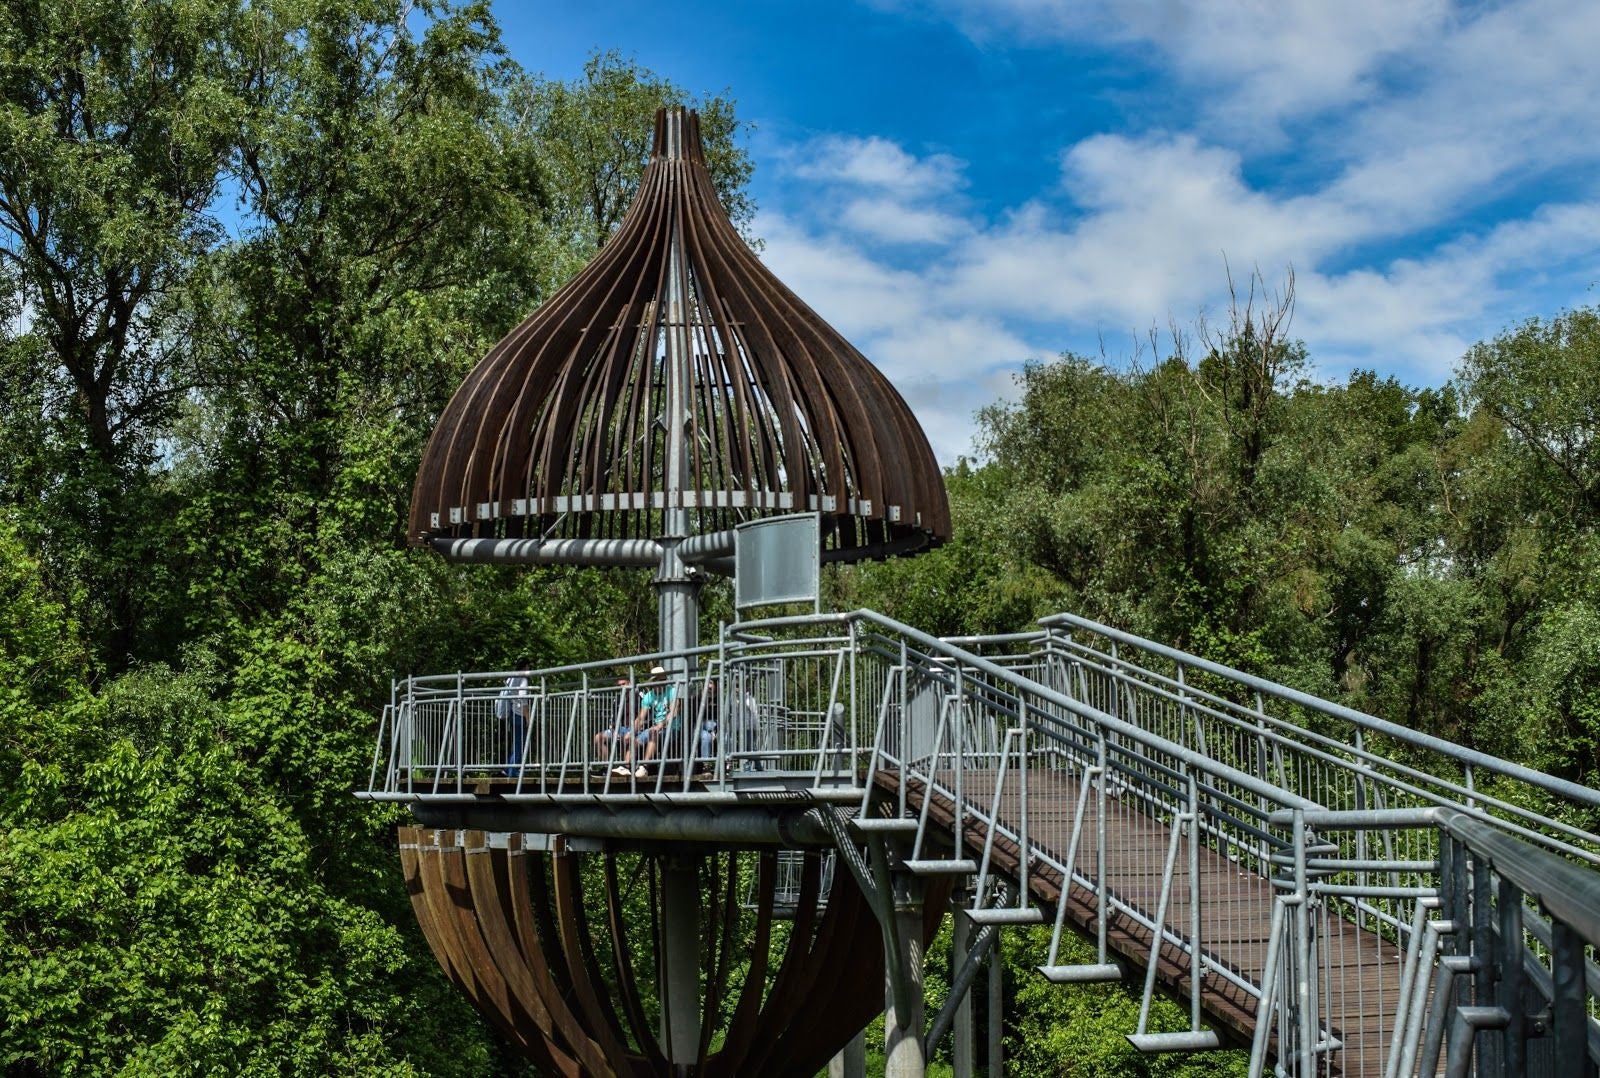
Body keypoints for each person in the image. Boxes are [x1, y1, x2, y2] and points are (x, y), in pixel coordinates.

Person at [616, 665, 678, 779]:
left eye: (661, 680)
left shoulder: (672, 691)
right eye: (656, 680)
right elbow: (640, 718)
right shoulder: (648, 696)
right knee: (634, 740)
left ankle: (644, 767)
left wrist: (661, 725)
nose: (658, 683)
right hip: (655, 728)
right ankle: (626, 767)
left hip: (672, 728)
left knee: (653, 733)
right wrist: (631, 731)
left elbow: (673, 712)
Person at [497, 662, 532, 778]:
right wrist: (528, 718)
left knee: (517, 743)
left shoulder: (511, 677)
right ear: (525, 667)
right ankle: (514, 772)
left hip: (512, 713)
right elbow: (524, 700)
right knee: (520, 745)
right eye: (529, 667)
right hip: (520, 715)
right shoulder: (523, 679)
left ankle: (508, 769)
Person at [594, 678, 636, 764]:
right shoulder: (617, 699)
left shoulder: (637, 696)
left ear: (630, 683)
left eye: (624, 684)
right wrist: (614, 730)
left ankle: (625, 767)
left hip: (633, 728)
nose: (622, 687)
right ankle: (607, 767)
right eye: (619, 685)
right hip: (619, 729)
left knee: (626, 737)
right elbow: (613, 719)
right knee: (598, 738)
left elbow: (642, 717)